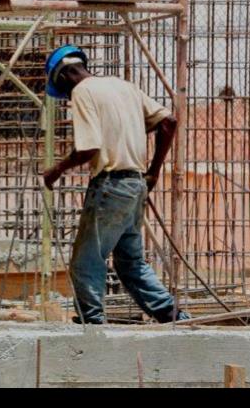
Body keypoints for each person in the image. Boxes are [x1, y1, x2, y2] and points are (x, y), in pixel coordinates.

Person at [41, 45, 190, 324]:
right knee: (130, 262)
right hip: (135, 185)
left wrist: (56, 170)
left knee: (86, 260)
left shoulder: (82, 91)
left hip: (110, 184)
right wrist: (154, 172)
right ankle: (171, 314)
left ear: (65, 76)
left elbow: (89, 148)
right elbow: (168, 122)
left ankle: (93, 323)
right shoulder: (124, 87)